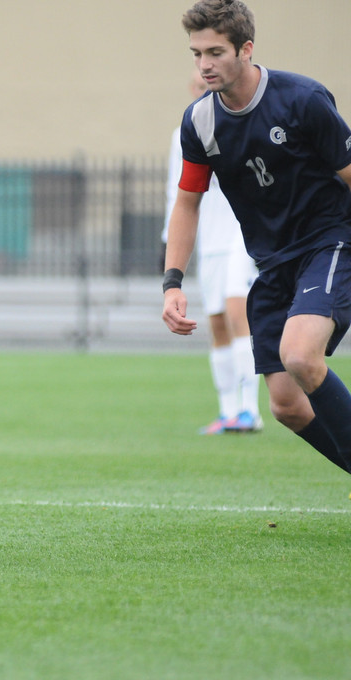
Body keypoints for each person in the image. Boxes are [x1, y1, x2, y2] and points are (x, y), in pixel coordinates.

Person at [163, 0, 351, 476]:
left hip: (330, 242)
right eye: (196, 53)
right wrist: (172, 283)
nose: (204, 64)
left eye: (216, 52)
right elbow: (188, 201)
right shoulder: (199, 122)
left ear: (246, 50)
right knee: (286, 406)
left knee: (299, 356)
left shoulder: (302, 99)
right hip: (271, 263)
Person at [163, 69, 261, 435]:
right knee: (217, 320)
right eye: (199, 86)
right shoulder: (185, 134)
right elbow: (178, 195)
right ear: (192, 88)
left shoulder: (238, 125)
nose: (206, 90)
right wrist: (167, 243)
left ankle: (251, 410)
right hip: (209, 238)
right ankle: (228, 410)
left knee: (239, 310)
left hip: (241, 234)